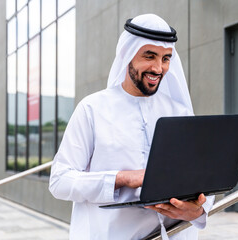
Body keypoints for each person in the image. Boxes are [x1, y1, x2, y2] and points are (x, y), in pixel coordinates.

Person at [49, 14, 215, 240]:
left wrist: (197, 210)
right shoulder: (92, 109)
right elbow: (60, 181)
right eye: (150, 56)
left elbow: (201, 179)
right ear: (127, 54)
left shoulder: (180, 112)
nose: (159, 68)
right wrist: (122, 179)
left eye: (166, 59)